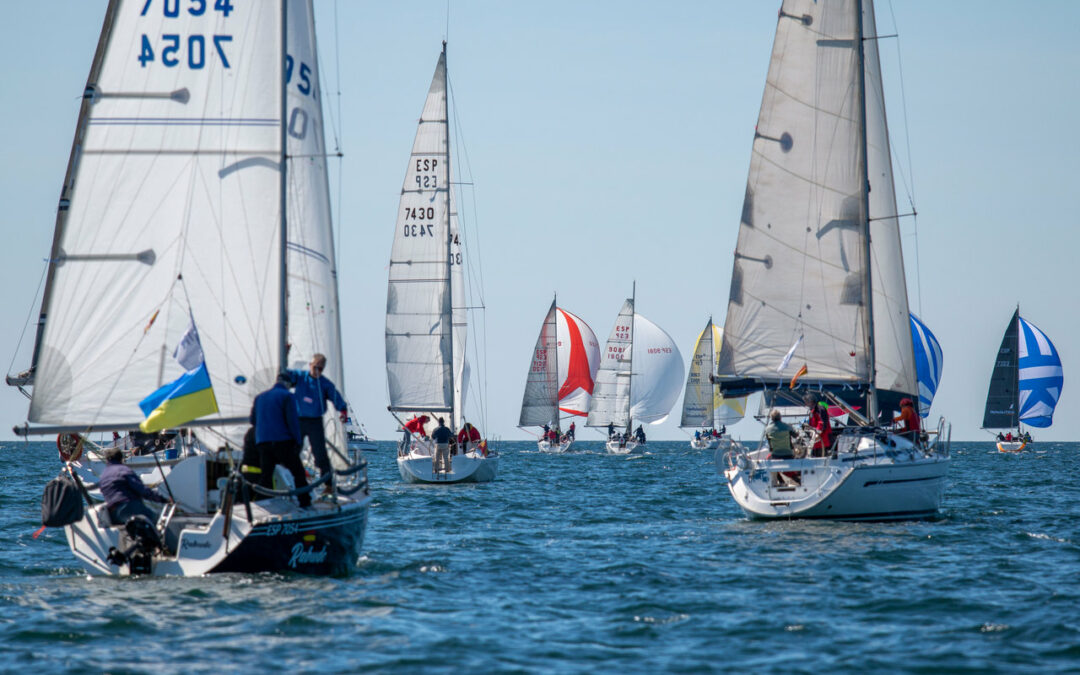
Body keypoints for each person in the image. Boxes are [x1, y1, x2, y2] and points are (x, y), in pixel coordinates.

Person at [289, 353, 349, 488]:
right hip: (298, 421)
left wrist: (343, 411)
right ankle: (292, 479)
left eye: (320, 369)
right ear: (310, 365)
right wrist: (285, 354)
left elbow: (336, 397)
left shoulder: (324, 384)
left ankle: (328, 485)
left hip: (315, 422)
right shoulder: (300, 377)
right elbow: (283, 375)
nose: (317, 371)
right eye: (315, 367)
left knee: (320, 454)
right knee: (292, 450)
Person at [250, 372, 310, 507]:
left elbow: (253, 421)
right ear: (287, 384)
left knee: (266, 475)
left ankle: (261, 504)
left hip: (263, 443)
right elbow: (292, 422)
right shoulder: (287, 396)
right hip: (282, 442)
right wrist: (298, 441)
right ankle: (305, 502)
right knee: (298, 473)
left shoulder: (259, 397)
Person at [99, 447, 171, 525]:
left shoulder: (103, 475)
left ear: (107, 460)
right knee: (159, 522)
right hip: (129, 507)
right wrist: (162, 499)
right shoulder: (123, 470)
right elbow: (141, 489)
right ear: (121, 458)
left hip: (113, 515)